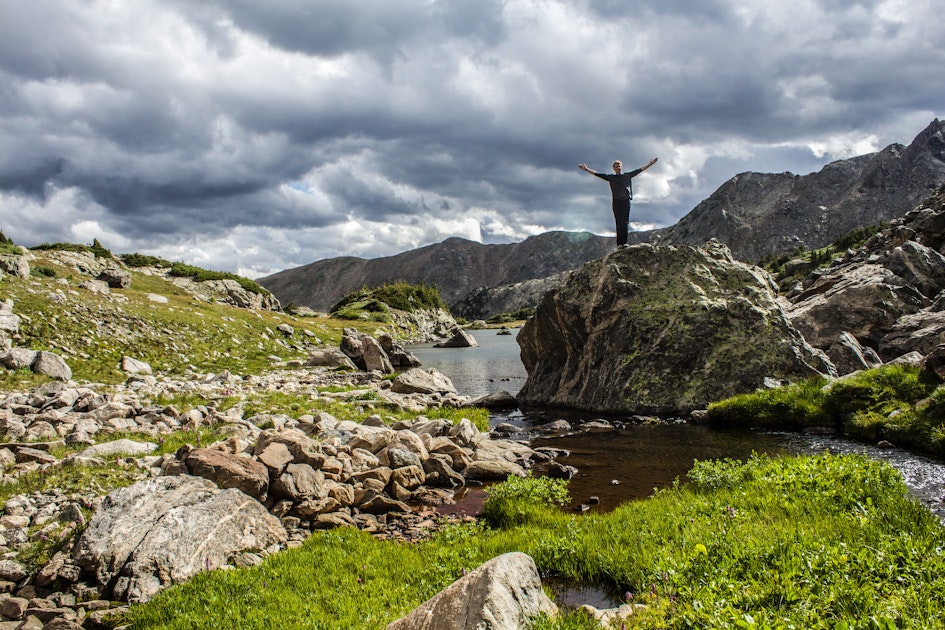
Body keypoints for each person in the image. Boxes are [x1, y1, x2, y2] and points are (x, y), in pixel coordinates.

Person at [578, 157, 658, 248]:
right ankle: (619, 244)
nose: (618, 167)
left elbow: (639, 170)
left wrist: (650, 164)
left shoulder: (627, 175)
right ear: (614, 168)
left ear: (621, 167)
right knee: (618, 222)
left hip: (625, 201)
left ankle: (624, 242)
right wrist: (586, 169)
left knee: (625, 222)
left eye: (619, 166)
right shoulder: (611, 178)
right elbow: (597, 174)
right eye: (616, 166)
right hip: (616, 202)